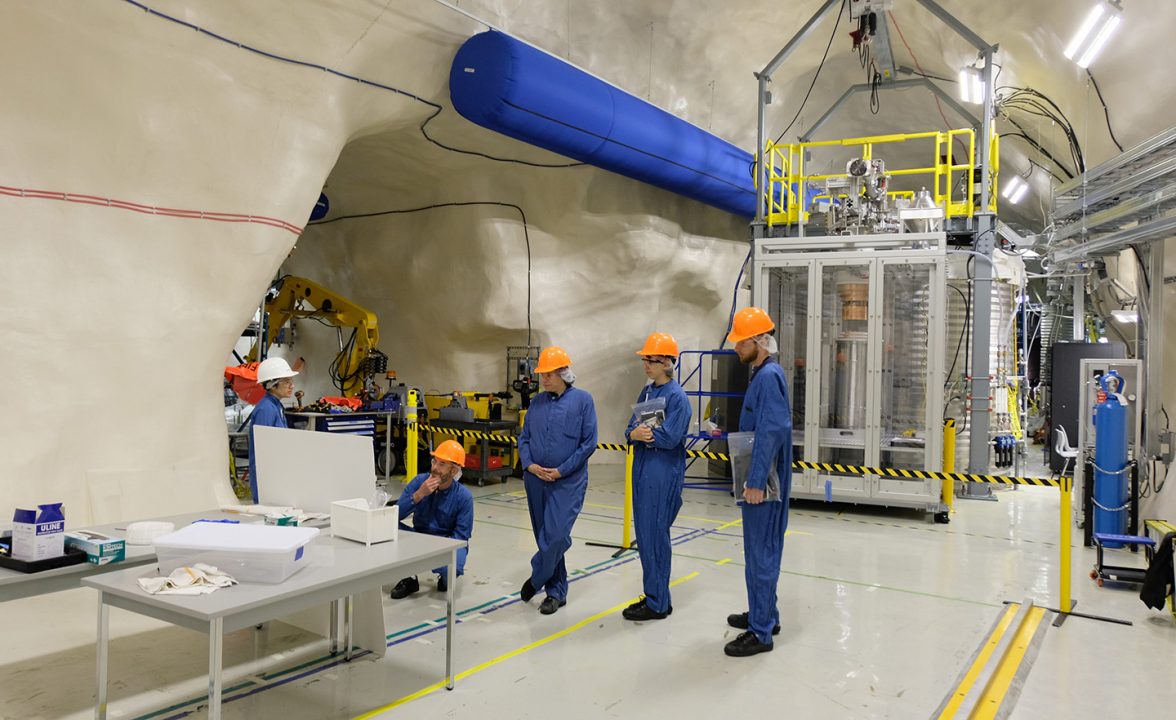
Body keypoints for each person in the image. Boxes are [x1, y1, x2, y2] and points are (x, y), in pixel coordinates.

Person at [724, 307, 792, 657]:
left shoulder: (768, 376)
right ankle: (768, 614)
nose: (736, 347)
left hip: (763, 479)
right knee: (761, 550)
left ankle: (761, 632)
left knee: (760, 552)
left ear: (759, 341)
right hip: (761, 473)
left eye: (741, 342)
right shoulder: (762, 373)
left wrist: (755, 480)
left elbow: (771, 430)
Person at [518, 346, 598, 615]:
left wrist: (561, 470)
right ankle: (556, 592)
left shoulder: (583, 401)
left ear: (564, 373)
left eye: (549, 374)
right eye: (542, 374)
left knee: (555, 537)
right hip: (536, 480)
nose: (544, 379)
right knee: (544, 536)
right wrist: (529, 465)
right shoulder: (537, 403)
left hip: (567, 482)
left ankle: (537, 578)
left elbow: (589, 443)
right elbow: (524, 439)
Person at [622, 333, 692, 622]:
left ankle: (658, 602)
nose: (646, 365)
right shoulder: (648, 393)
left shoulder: (677, 398)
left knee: (655, 537)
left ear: (666, 362)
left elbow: (669, 437)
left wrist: (641, 435)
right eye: (645, 360)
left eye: (650, 360)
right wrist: (633, 434)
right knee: (646, 536)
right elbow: (631, 429)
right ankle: (656, 596)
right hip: (643, 470)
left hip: (662, 473)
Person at [389, 439, 475, 598]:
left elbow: (461, 536)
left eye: (442, 464)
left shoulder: (464, 497)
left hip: (446, 542)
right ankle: (409, 577)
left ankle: (446, 576)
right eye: (434, 461)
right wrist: (419, 494)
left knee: (455, 564)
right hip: (418, 536)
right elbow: (394, 515)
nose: (435, 468)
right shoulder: (419, 482)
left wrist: (441, 554)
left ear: (454, 471)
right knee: (388, 529)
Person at [246, 356, 298, 504]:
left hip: (277, 474)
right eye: (287, 382)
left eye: (291, 381)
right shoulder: (266, 409)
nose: (292, 386)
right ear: (272, 385)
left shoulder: (276, 406)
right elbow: (265, 450)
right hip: (267, 478)